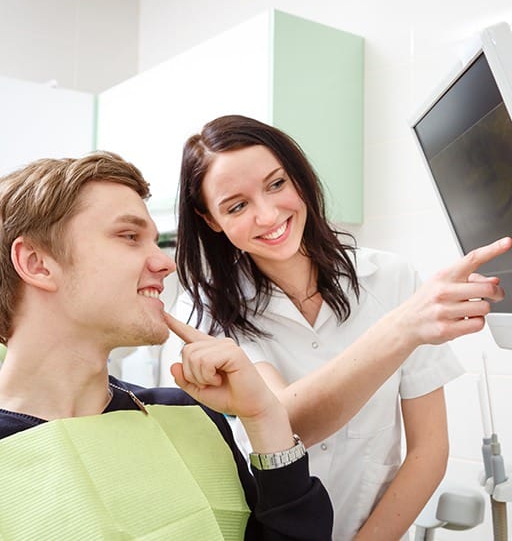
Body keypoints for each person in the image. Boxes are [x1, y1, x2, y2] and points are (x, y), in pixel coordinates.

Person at [175, 115, 512, 540]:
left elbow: (429, 449)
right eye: (237, 206)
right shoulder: (204, 308)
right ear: (210, 220)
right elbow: (286, 424)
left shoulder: (391, 278)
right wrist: (404, 327)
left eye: (277, 184)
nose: (267, 215)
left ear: (298, 177)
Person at [0, 151, 333, 540]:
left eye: (154, 242)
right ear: (38, 263)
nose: (165, 263)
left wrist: (265, 417)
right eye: (129, 237)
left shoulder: (186, 415)